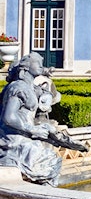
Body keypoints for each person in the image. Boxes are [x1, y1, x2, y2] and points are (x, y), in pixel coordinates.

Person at [0, 53, 85, 185]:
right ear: (26, 68)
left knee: (51, 157)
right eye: (37, 62)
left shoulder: (28, 86)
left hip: (22, 135)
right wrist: (33, 130)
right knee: (50, 161)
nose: (41, 63)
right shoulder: (17, 87)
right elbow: (9, 117)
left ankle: (42, 197)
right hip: (13, 140)